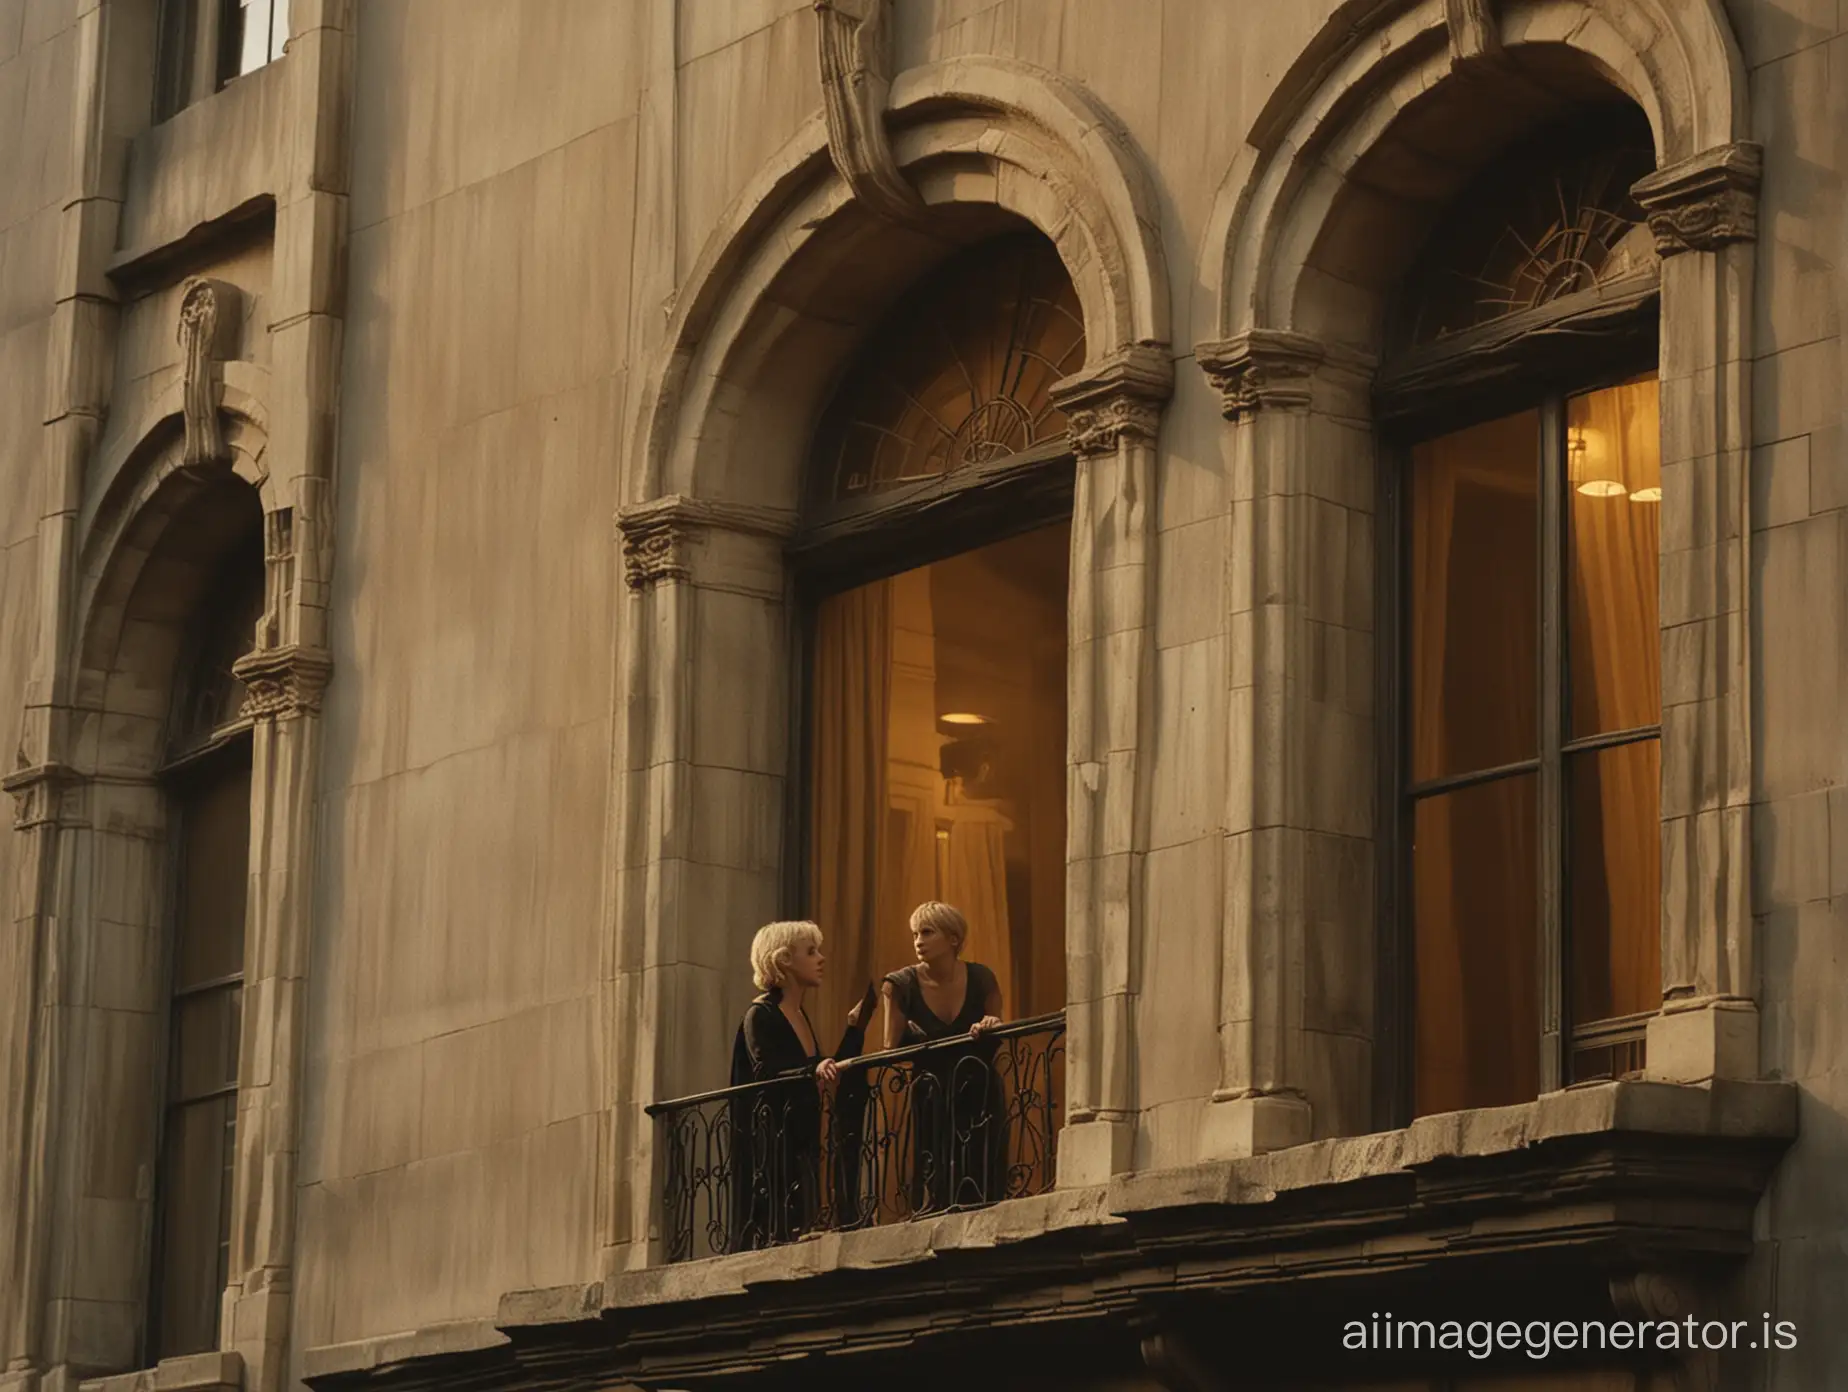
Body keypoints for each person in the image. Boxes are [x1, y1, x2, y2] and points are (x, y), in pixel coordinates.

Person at [727, 921, 874, 1249]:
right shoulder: (759, 1015)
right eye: (811, 952)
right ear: (784, 961)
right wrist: (812, 1069)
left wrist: (854, 1029)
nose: (821, 958)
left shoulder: (800, 1015)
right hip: (772, 1145)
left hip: (801, 1139)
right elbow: (768, 1072)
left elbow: (821, 1071)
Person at [879, 901, 1008, 1213]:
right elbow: (890, 1047)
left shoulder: (982, 978)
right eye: (914, 934)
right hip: (932, 1093)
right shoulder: (900, 985)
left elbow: (998, 1029)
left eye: (927, 932)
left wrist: (991, 1025)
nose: (918, 941)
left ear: (953, 939)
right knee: (937, 1174)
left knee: (983, 1173)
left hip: (980, 1091)